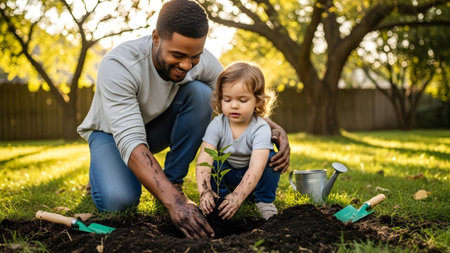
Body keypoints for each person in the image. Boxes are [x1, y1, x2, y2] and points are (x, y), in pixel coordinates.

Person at [77, 0, 290, 239]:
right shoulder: (119, 66)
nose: (187, 65)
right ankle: (102, 169)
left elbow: (230, 97)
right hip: (112, 135)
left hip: (157, 128)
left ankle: (173, 181)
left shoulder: (199, 59)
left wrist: (273, 128)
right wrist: (176, 203)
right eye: (177, 55)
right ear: (156, 38)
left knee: (202, 95)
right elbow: (130, 140)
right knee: (118, 202)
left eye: (194, 56)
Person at [196, 62, 280, 220]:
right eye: (227, 100)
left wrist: (238, 196)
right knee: (212, 162)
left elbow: (256, 167)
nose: (234, 106)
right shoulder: (217, 124)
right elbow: (204, 160)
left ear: (258, 101)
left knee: (271, 159)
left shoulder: (260, 127)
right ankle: (219, 198)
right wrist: (204, 191)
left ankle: (263, 200)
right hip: (228, 171)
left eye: (242, 100)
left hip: (254, 173)